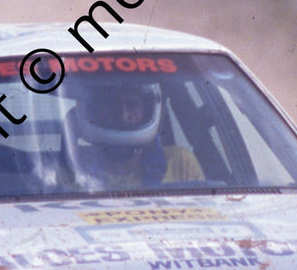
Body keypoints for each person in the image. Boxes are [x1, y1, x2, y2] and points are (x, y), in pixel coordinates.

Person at [63, 76, 203, 190]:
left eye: (132, 105)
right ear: (97, 111)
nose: (123, 116)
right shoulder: (72, 169)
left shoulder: (181, 163)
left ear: (147, 111)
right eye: (113, 106)